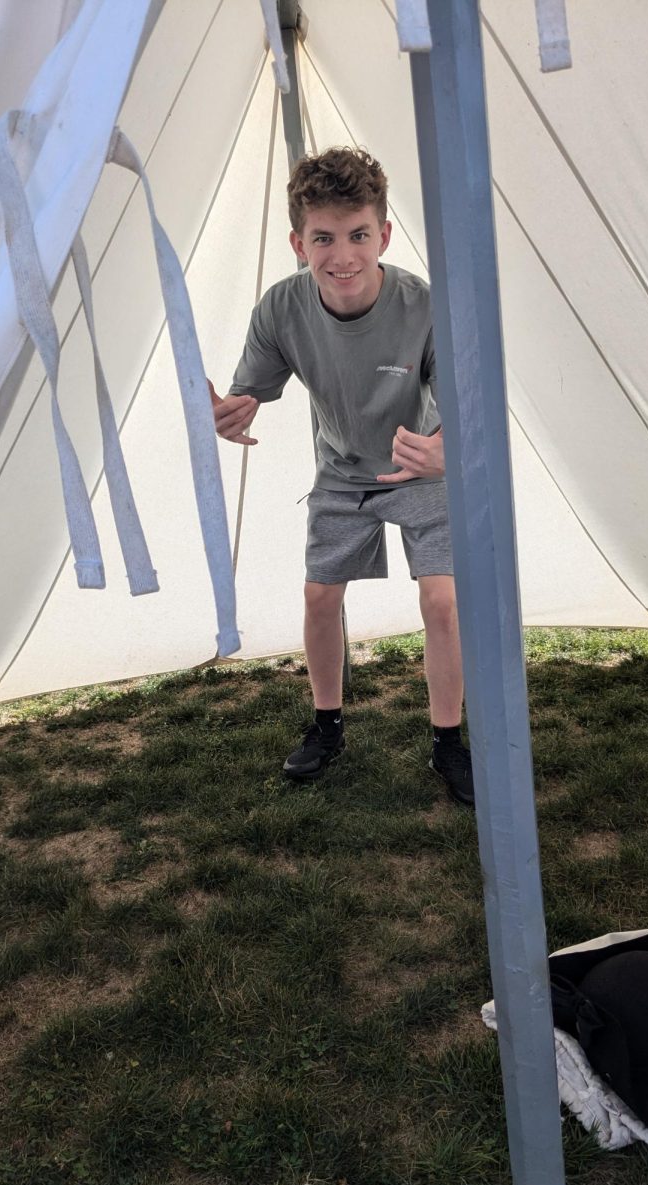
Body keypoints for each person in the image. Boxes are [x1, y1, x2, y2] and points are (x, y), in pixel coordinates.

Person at [211, 147, 473, 805]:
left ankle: (449, 742)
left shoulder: (424, 304)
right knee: (320, 598)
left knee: (443, 600)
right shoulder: (281, 308)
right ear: (299, 243)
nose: (343, 255)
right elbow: (249, 393)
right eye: (323, 238)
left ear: (382, 235)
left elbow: (471, 409)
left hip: (419, 467)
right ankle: (327, 727)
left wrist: (447, 450)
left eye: (358, 235)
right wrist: (229, 413)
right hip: (340, 474)